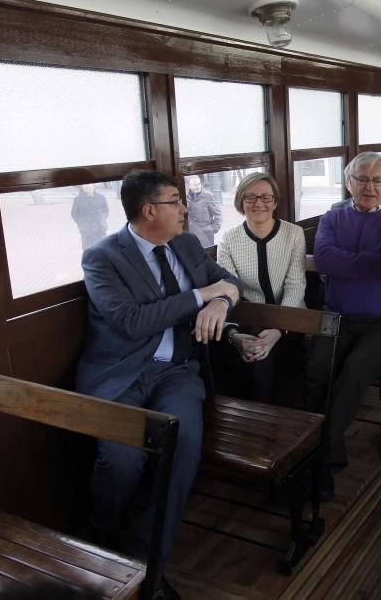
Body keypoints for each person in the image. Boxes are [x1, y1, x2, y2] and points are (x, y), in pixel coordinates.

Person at [76, 170, 241, 600]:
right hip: (121, 376)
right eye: (175, 201)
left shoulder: (186, 244)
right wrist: (199, 297)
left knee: (182, 451)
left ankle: (148, 566)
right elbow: (131, 322)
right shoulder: (102, 258)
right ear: (150, 210)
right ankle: (103, 540)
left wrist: (221, 300)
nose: (185, 209)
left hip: (178, 372)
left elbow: (229, 282)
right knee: (121, 462)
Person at [307, 152, 381, 499]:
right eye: (362, 179)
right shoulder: (332, 218)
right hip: (337, 316)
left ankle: (319, 461)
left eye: (378, 180)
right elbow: (327, 259)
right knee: (318, 369)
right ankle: (327, 453)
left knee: (354, 371)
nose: (370, 187)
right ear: (348, 183)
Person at [216, 172, 306, 403]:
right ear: (240, 202)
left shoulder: (293, 233)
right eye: (250, 197)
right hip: (249, 316)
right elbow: (227, 290)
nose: (258, 204)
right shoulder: (228, 239)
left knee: (261, 358)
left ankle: (265, 415)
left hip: (291, 315)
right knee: (252, 350)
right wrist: (233, 333)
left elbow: (295, 286)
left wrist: (279, 329)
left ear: (275, 202)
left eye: (266, 197)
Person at [185, 174, 222, 247]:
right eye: (195, 185)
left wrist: (212, 229)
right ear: (190, 186)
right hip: (192, 234)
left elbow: (218, 214)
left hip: (206, 234)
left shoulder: (208, 196)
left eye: (199, 184)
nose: (198, 186)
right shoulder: (186, 197)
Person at [71, 183, 109, 250]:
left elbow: (106, 211)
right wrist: (81, 225)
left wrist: (101, 221)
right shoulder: (78, 199)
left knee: (102, 252)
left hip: (100, 231)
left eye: (88, 184)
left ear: (93, 185)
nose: (85, 186)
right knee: (88, 253)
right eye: (83, 184)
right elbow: (74, 214)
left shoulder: (101, 198)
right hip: (86, 234)